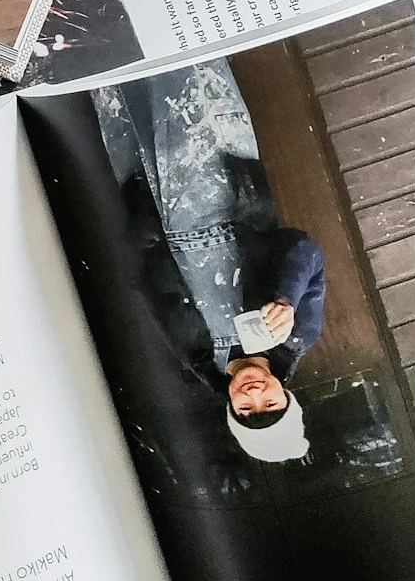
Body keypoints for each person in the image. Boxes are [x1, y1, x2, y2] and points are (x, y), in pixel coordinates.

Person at [106, 63, 326, 478]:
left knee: (115, 92)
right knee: (178, 68)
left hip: (149, 191)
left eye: (245, 410)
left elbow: (147, 284)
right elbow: (304, 249)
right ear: (287, 395)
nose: (255, 395)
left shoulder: (194, 354)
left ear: (230, 407)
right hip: (219, 175)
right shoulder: (296, 335)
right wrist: (287, 298)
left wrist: (143, 230)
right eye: (270, 405)